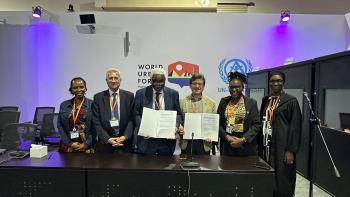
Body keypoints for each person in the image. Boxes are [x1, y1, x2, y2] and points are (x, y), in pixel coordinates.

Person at [260, 70, 302, 197]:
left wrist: (291, 150)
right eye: (272, 81)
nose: (275, 83)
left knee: (282, 179)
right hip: (267, 145)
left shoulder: (291, 101)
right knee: (268, 177)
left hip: (282, 147)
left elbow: (296, 127)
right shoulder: (266, 100)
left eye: (279, 80)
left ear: (283, 82)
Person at [134, 68, 182, 156]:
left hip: (166, 142)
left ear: (165, 80)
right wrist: (143, 129)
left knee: (166, 167)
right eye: (155, 81)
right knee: (146, 167)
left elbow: (178, 113)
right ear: (150, 80)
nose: (158, 84)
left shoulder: (173, 94)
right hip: (147, 140)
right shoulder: (140, 93)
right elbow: (136, 114)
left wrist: (175, 126)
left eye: (161, 81)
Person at [217, 71, 261, 156]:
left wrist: (243, 139)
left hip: (246, 147)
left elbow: (256, 125)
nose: (234, 90)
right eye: (231, 87)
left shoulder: (251, 103)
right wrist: (227, 137)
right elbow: (218, 124)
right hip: (228, 145)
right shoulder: (224, 101)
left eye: (237, 87)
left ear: (243, 87)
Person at [92, 68, 134, 153]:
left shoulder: (129, 96)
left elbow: (132, 119)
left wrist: (125, 136)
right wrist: (107, 138)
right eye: (110, 78)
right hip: (105, 144)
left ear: (120, 80)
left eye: (116, 78)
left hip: (125, 143)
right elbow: (96, 121)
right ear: (106, 81)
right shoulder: (98, 97)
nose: (113, 81)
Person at [177, 73, 216, 155]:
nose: (197, 86)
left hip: (204, 143)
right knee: (185, 166)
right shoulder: (182, 102)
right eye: (194, 84)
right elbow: (179, 120)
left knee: (203, 166)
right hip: (186, 142)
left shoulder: (211, 103)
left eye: (200, 84)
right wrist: (180, 128)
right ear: (190, 86)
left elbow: (213, 124)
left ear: (203, 86)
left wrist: (211, 134)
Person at [58, 77, 95, 153]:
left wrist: (86, 144)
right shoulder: (64, 105)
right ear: (71, 90)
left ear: (85, 88)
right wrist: (69, 143)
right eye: (75, 88)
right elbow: (60, 126)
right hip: (68, 147)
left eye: (81, 87)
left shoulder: (93, 104)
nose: (79, 90)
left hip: (87, 147)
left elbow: (95, 127)